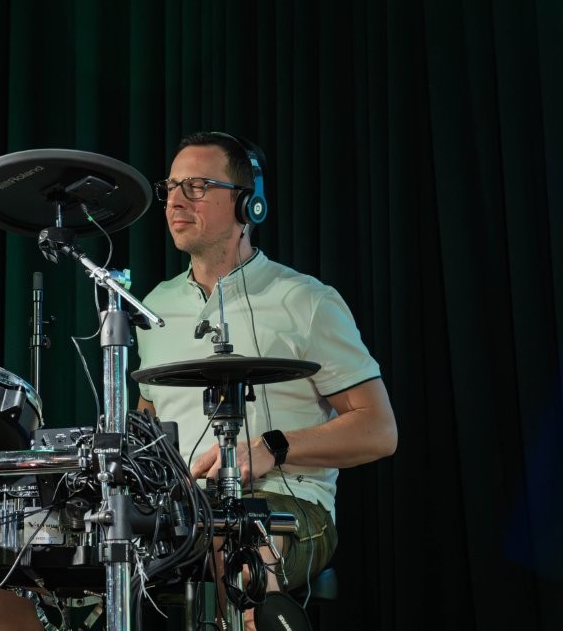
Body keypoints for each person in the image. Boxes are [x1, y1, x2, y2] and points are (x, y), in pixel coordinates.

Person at [136, 131, 398, 627]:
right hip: (182, 511)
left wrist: (270, 447)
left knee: (234, 537)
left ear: (247, 204)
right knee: (30, 556)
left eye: (195, 187)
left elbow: (379, 429)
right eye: (169, 187)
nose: (174, 201)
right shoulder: (154, 308)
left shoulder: (306, 300)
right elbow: (149, 421)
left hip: (291, 507)